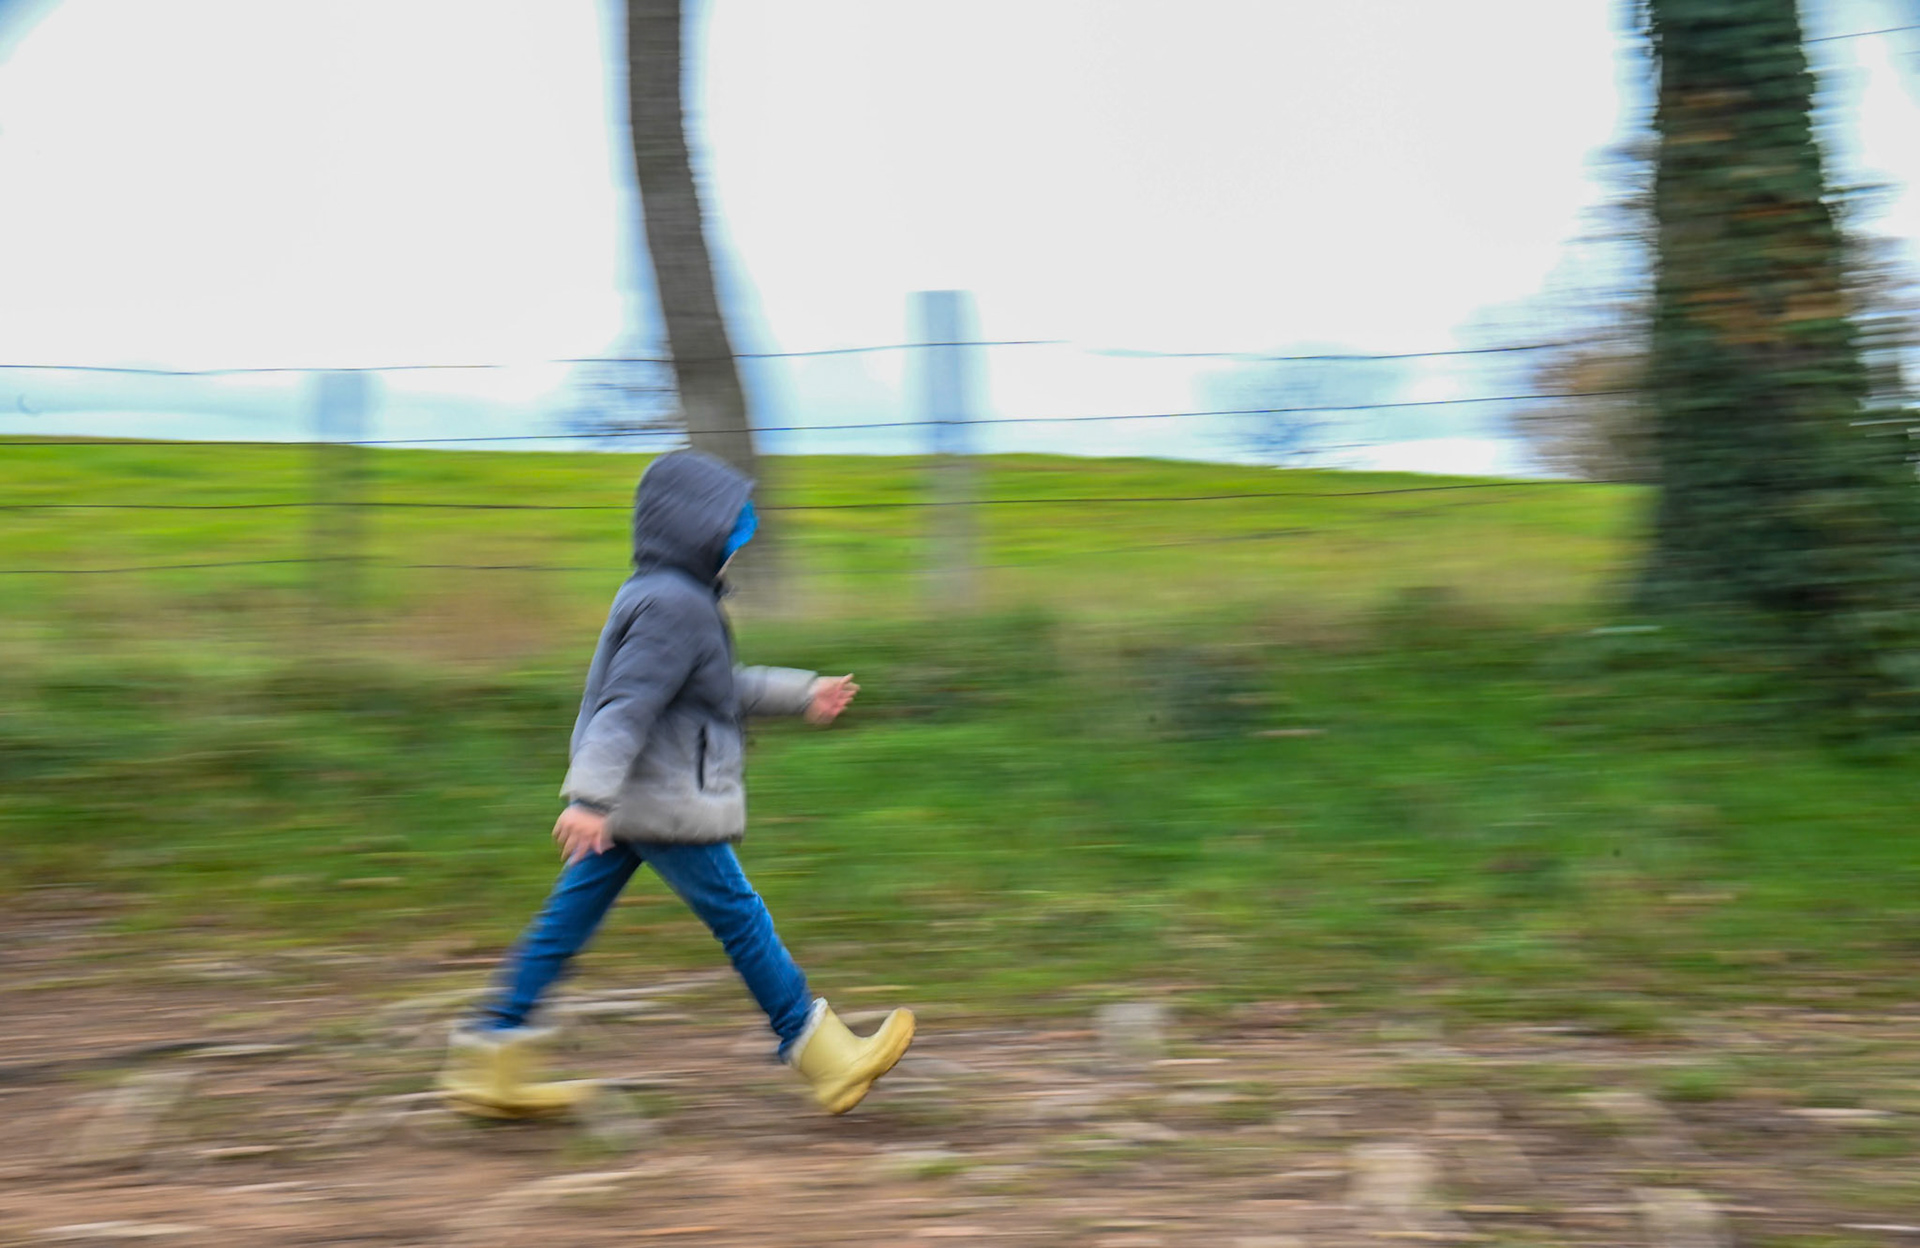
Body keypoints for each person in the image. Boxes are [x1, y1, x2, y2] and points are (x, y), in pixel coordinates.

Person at [438, 450, 915, 1118]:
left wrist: (804, 693)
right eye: (727, 532)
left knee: (566, 922)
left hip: (637, 798)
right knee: (740, 916)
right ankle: (823, 1054)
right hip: (658, 798)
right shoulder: (673, 605)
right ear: (693, 532)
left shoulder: (670, 597)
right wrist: (588, 799)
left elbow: (718, 687)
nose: (734, 546)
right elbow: (626, 704)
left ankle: (492, 1057)